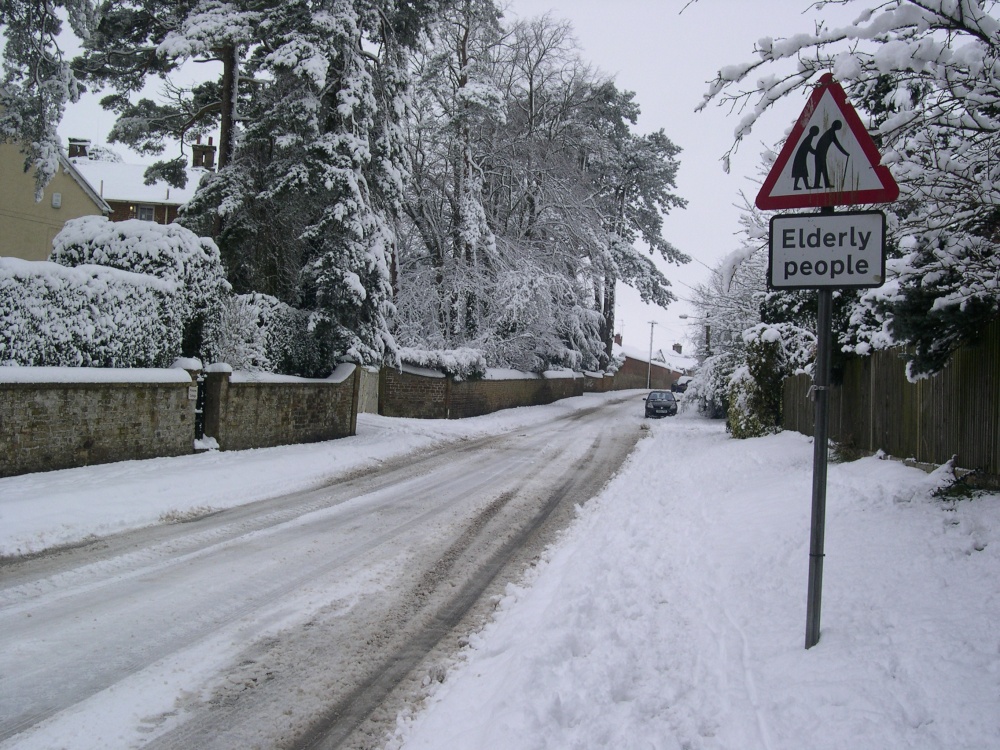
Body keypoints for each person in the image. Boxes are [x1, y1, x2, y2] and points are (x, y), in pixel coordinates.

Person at [813, 120, 850, 189]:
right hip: (820, 155)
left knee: (822, 170)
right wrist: (845, 153)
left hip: (821, 155)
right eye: (839, 126)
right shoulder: (831, 133)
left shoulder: (830, 132)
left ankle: (823, 184)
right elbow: (837, 144)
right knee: (820, 170)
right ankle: (818, 185)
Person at [792, 126, 819, 190]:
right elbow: (809, 147)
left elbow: (809, 147)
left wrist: (815, 152)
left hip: (801, 157)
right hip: (800, 158)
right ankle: (798, 186)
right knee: (801, 172)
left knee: (801, 173)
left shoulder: (809, 137)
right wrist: (816, 152)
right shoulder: (809, 138)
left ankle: (802, 186)